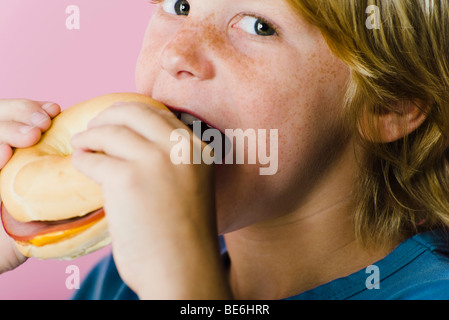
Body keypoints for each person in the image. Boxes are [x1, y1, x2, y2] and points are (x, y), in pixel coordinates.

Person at [1, 0, 449, 300]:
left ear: (390, 103)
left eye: (259, 26)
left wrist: (179, 286)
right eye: (180, 5)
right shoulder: (118, 281)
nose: (177, 52)